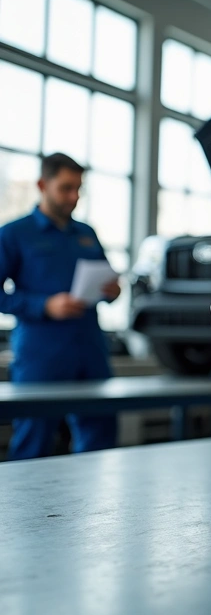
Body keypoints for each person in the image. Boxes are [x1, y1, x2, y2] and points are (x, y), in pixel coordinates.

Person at [0, 153, 121, 459]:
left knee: (101, 442)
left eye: (78, 189)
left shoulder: (86, 233)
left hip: (91, 351)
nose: (73, 197)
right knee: (33, 443)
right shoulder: (14, 233)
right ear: (42, 184)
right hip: (42, 356)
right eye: (66, 188)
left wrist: (112, 290)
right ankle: (27, 509)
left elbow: (108, 284)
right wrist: (44, 305)